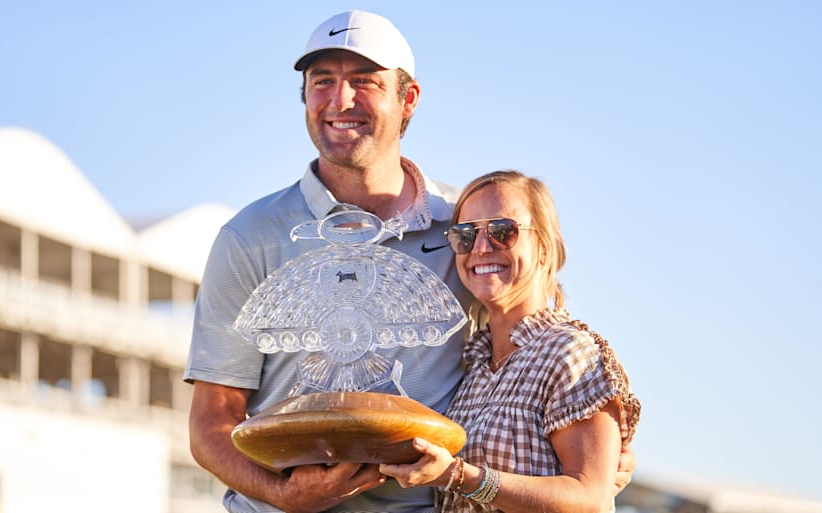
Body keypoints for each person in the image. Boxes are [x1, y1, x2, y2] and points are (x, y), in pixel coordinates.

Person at [184, 10, 636, 513]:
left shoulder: (464, 229)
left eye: (365, 82)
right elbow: (210, 426)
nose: (340, 100)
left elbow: (534, 345)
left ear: (408, 100)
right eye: (322, 82)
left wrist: (595, 450)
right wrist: (283, 495)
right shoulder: (250, 236)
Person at [379, 170, 642, 513]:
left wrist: (459, 475)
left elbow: (589, 498)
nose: (482, 247)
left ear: (545, 248)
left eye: (503, 232)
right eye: (465, 235)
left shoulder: (570, 353)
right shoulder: (471, 365)